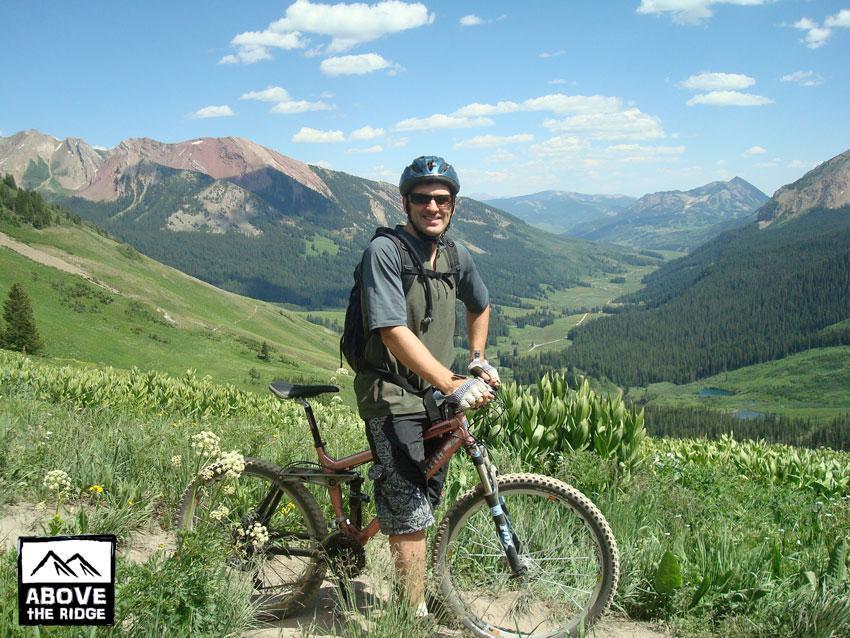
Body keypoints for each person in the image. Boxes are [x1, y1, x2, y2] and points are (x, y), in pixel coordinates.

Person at [354, 155, 501, 616]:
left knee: (428, 491)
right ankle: (410, 613)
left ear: (454, 205)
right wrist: (451, 381)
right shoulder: (385, 252)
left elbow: (480, 303)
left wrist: (476, 361)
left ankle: (414, 588)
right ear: (405, 203)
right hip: (391, 391)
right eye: (422, 198)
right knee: (407, 497)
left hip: (435, 391)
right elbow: (391, 331)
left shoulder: (455, 254)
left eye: (442, 199)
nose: (432, 206)